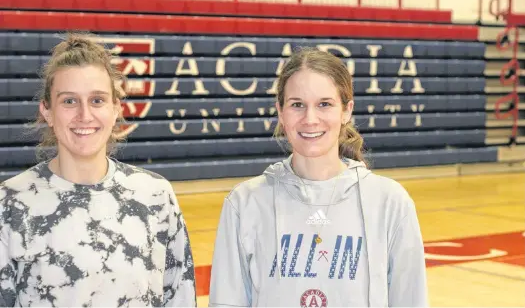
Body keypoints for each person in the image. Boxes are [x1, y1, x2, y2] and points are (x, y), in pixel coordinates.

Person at [208, 47, 428, 307]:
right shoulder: (245, 203)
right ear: (280, 111)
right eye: (297, 105)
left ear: (346, 110)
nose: (310, 119)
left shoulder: (390, 203)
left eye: (324, 104)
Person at [0, 33, 196, 307]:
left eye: (97, 100)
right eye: (69, 101)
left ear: (116, 107)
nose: (84, 115)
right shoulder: (10, 204)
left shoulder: (155, 196)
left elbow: (180, 298)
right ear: (46, 110)